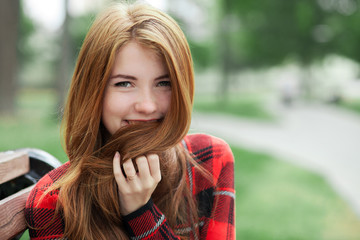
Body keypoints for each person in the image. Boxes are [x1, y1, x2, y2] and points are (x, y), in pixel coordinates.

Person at [25, 2, 235, 240]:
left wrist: (141, 214)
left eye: (163, 83)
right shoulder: (52, 200)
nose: (147, 105)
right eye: (125, 83)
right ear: (94, 91)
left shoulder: (209, 160)